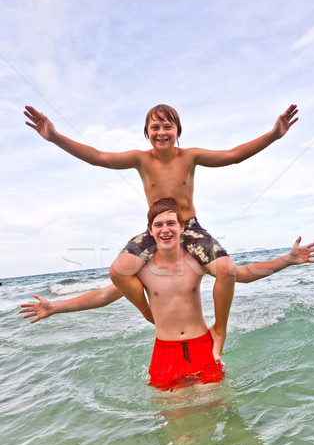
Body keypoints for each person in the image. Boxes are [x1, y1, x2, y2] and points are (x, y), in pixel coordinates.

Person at [24, 103, 298, 362]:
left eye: (167, 126)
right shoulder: (140, 159)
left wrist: (274, 134)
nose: (161, 132)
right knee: (118, 271)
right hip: (156, 228)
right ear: (147, 133)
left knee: (226, 269)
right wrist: (54, 137)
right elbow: (97, 157)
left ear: (177, 131)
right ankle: (148, 313)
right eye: (154, 127)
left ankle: (220, 330)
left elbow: (233, 155)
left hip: (188, 226)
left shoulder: (190, 156)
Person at [20, 198, 314, 389]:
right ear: (150, 232)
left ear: (181, 228)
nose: (165, 229)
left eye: (171, 223)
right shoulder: (140, 269)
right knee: (180, 436)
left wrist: (287, 260)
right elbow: (102, 296)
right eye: (158, 225)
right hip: (165, 355)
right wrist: (54, 307)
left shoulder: (197, 262)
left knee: (217, 415)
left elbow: (243, 274)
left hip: (205, 348)